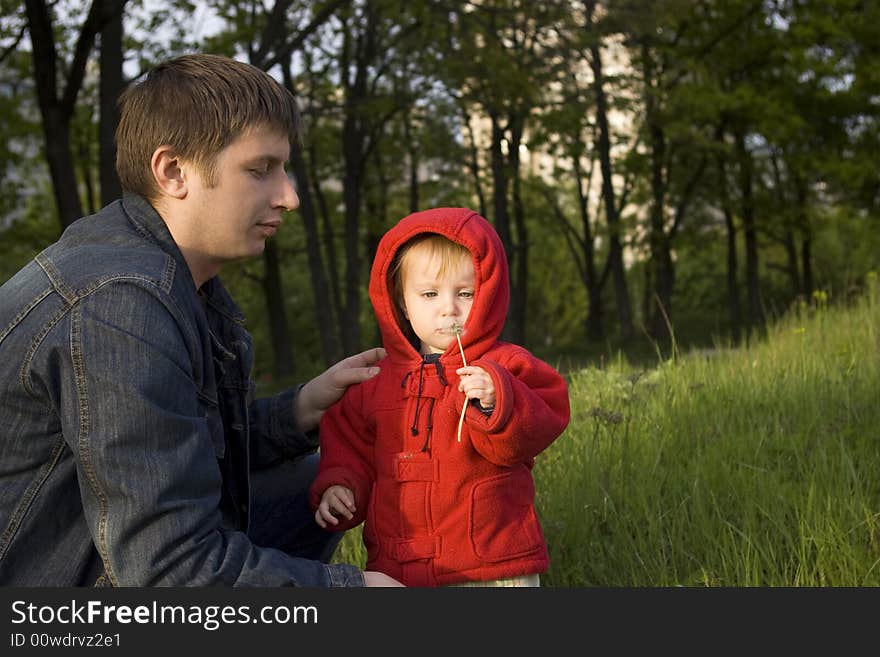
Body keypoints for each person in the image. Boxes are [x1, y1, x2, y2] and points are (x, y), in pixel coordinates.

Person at [0, 53, 402, 586]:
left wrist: (299, 411)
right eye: (260, 170)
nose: (290, 196)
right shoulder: (119, 303)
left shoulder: (175, 278)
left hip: (100, 549)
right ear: (173, 171)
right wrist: (355, 594)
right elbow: (168, 571)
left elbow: (175, 449)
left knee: (309, 480)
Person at [309, 207, 570, 586]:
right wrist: (340, 485)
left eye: (465, 293)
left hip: (490, 563)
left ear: (488, 295)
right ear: (400, 301)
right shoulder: (376, 382)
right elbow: (350, 447)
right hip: (399, 565)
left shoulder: (505, 365)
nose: (448, 308)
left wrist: (499, 398)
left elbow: (544, 420)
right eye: (430, 293)